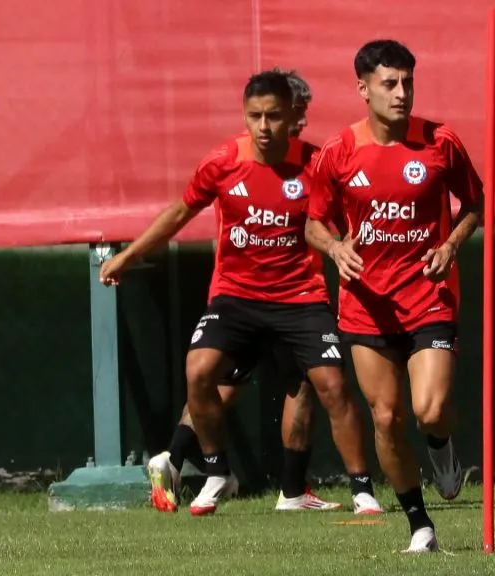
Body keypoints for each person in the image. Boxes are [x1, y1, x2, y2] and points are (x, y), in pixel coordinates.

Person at [100, 70, 382, 516]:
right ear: (244, 116)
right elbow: (179, 212)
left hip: (300, 297)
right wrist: (129, 256)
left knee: (326, 384)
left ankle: (358, 491)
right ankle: (216, 471)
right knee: (201, 373)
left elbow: (346, 220)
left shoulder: (316, 164)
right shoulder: (222, 162)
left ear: (294, 116)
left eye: (274, 116)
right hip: (236, 296)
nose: (265, 127)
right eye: (255, 116)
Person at [305, 39, 484, 552]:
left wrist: (451, 244)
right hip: (365, 301)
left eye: (408, 82)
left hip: (427, 291)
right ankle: (420, 526)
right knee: (385, 416)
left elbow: (475, 202)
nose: (401, 93)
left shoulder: (441, 141)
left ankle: (442, 446)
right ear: (363, 88)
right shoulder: (338, 152)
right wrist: (336, 246)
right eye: (389, 83)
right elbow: (313, 224)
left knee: (428, 411)